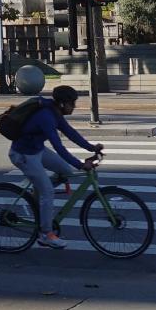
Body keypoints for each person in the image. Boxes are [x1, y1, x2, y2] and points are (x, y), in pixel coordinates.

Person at [7, 84, 102, 249]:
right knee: (48, 192)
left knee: (65, 170)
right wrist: (80, 165)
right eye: (72, 103)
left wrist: (91, 148)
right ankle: (46, 234)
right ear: (62, 104)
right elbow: (59, 147)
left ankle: (38, 189)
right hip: (23, 155)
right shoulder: (46, 116)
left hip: (37, 150)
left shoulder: (55, 112)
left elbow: (71, 133)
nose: (74, 106)